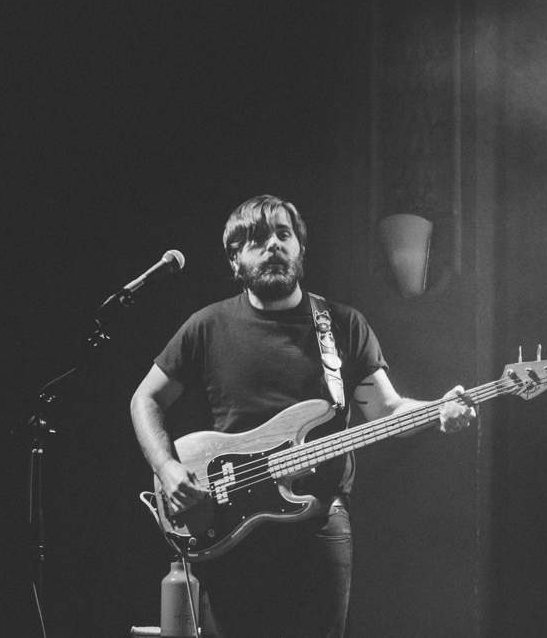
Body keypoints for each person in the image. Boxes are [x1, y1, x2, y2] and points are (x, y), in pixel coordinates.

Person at [130, 195, 475, 638]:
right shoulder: (206, 326)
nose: (273, 245)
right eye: (257, 238)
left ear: (300, 251)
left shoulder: (343, 326)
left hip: (318, 523)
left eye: (284, 235)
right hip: (229, 524)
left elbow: (387, 409)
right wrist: (166, 466)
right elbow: (145, 399)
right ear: (235, 258)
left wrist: (437, 412)